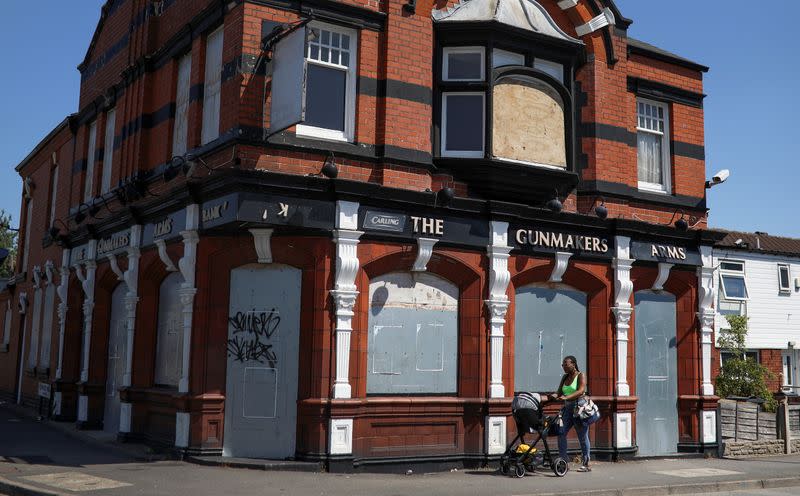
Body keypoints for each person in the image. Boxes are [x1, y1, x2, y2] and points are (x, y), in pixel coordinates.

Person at [548, 355, 591, 472]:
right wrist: (553, 396)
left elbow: (581, 390)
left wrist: (566, 397)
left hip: (579, 408)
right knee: (561, 433)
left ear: (573, 364)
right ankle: (563, 462)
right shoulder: (565, 377)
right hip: (567, 409)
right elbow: (559, 392)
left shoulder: (581, 375)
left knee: (582, 436)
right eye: (563, 365)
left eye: (566, 364)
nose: (564, 367)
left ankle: (586, 464)